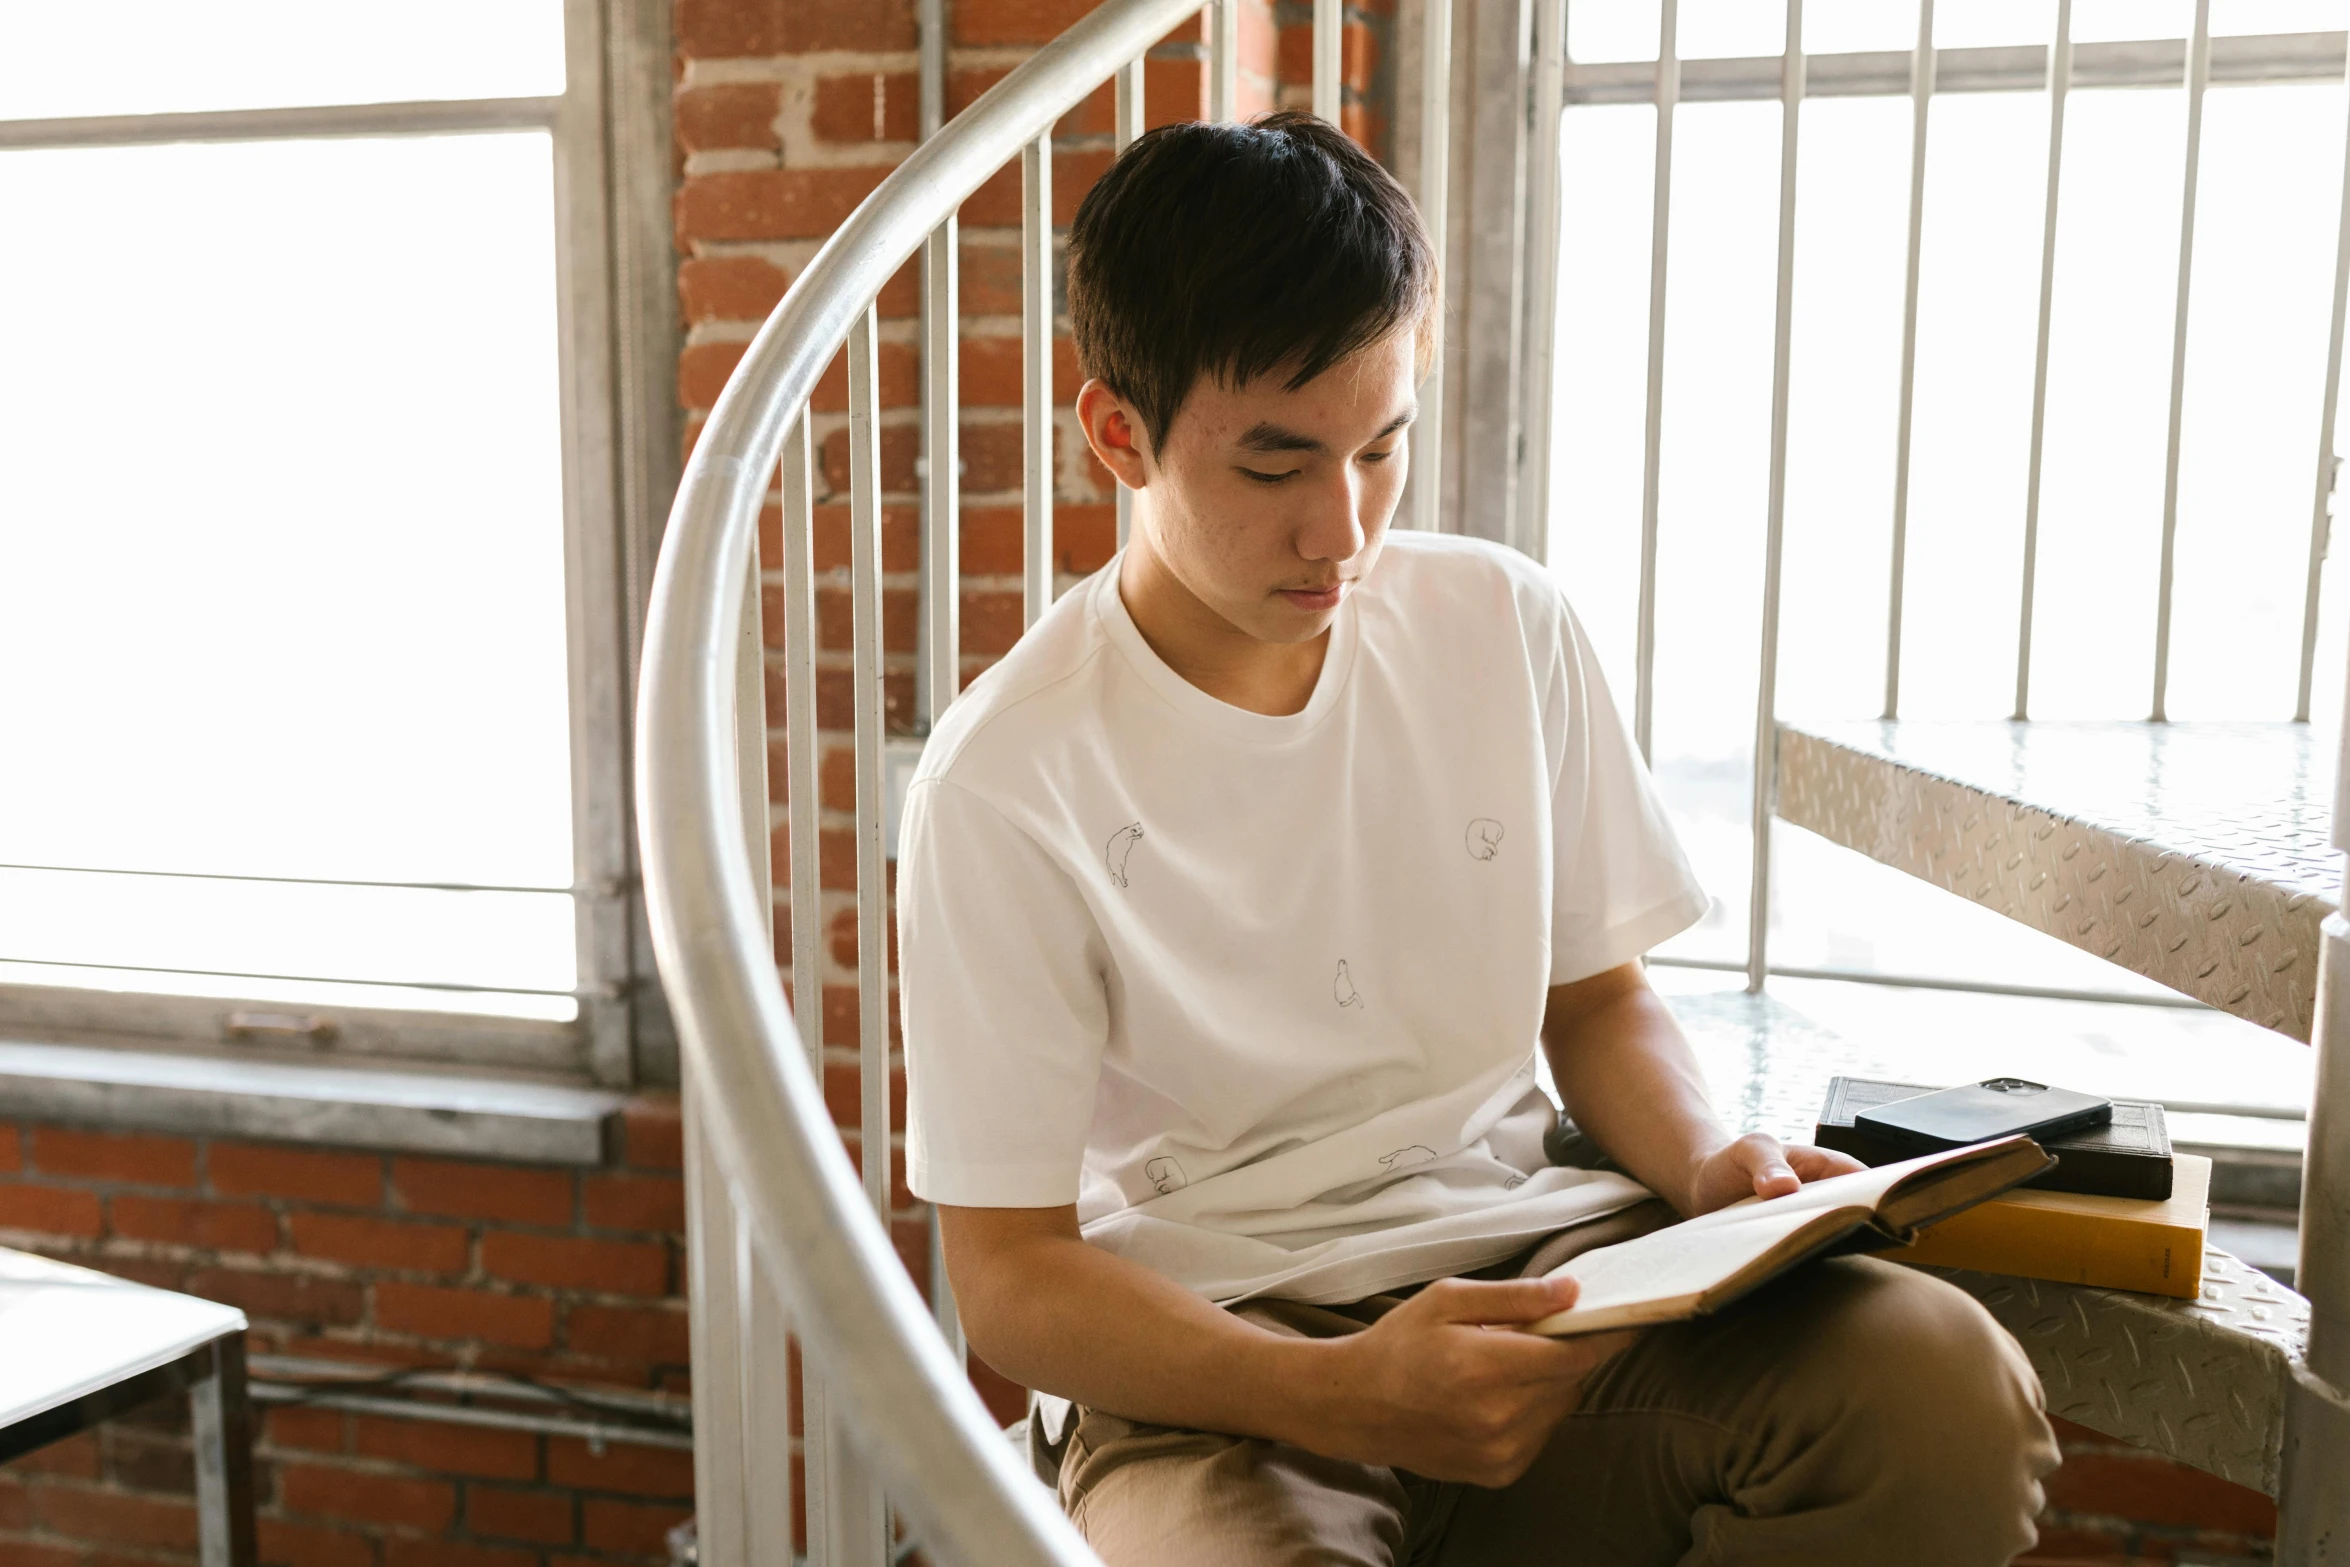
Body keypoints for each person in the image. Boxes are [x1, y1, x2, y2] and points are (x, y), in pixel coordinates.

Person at [895, 111, 2059, 1566]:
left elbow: (1594, 1000)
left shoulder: (1502, 624)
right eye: (1274, 467)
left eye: (1380, 449)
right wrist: (1333, 1389)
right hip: (1220, 1366)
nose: (1343, 532)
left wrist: (1709, 1169)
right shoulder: (1006, 776)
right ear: (1116, 433)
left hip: (1543, 1269)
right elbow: (1006, 1280)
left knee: (1937, 1389)